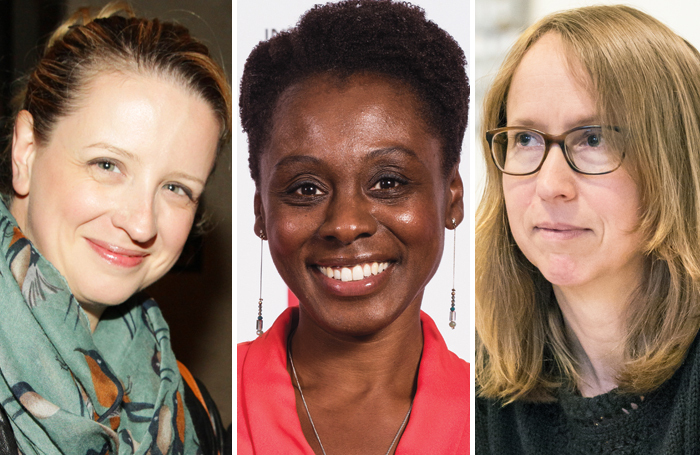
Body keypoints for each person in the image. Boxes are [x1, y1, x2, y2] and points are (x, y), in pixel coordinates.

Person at [237, 1, 469, 453]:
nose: (345, 225)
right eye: (305, 189)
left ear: (452, 197)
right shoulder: (214, 410)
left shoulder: (489, 412)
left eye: (388, 182)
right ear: (262, 212)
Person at [0, 2, 231, 453]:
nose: (142, 223)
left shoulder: (195, 412)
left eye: (176, 188)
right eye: (107, 164)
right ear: (26, 152)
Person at [476, 5, 700, 454]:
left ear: (672, 162)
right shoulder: (474, 380)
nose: (550, 186)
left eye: (592, 138)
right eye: (525, 138)